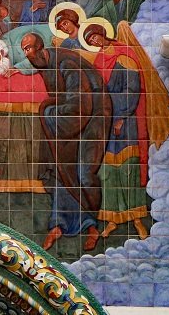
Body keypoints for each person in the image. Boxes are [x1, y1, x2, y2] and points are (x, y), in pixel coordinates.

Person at [21, 32, 111, 251]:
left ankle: (92, 227)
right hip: (71, 118)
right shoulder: (45, 65)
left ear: (40, 48)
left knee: (85, 173)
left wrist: (49, 113)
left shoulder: (66, 64)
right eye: (24, 50)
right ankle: (59, 225)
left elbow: (80, 104)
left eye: (29, 48)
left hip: (94, 117)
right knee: (62, 168)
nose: (26, 54)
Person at [81, 22, 169, 241]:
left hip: (125, 123)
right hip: (105, 123)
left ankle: (137, 219)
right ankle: (113, 219)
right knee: (107, 172)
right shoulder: (99, 60)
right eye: (90, 40)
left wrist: (120, 117)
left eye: (95, 37)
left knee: (128, 170)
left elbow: (132, 90)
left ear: (103, 33)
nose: (95, 41)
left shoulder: (124, 55)